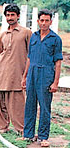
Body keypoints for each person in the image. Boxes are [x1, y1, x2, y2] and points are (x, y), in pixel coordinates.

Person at [0, 4, 32, 134]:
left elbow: (32, 55)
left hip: (17, 74)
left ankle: (22, 129)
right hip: (1, 72)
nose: (9, 17)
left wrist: (28, 74)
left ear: (18, 16)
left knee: (17, 103)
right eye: (7, 15)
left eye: (12, 15)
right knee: (0, 102)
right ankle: (3, 127)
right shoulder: (3, 34)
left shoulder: (26, 33)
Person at [21, 9, 63, 147]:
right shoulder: (33, 36)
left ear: (51, 22)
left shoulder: (56, 39)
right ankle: (28, 135)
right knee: (30, 105)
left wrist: (55, 82)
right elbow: (29, 58)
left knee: (44, 107)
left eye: (47, 20)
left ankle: (43, 137)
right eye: (42, 20)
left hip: (46, 75)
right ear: (38, 21)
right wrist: (25, 76)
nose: (44, 23)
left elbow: (58, 62)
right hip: (32, 73)